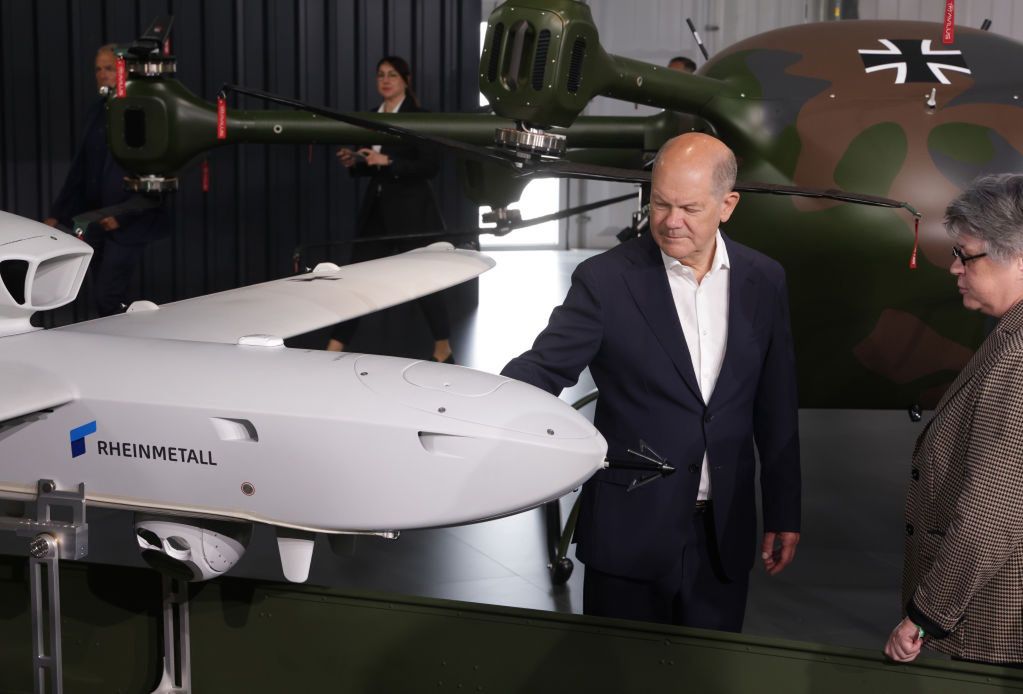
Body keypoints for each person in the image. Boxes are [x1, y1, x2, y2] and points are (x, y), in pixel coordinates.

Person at [502, 133, 801, 631]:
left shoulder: (764, 280)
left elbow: (776, 405)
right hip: (629, 533)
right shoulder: (605, 280)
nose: (670, 221)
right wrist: (470, 412)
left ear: (728, 205)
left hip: (723, 536)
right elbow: (543, 368)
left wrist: (784, 510)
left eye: (689, 207)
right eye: (660, 203)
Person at [884, 174, 1023, 667]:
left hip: (998, 625)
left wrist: (926, 615)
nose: (954, 268)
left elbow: (994, 510)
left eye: (965, 254)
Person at [326, 55, 453, 363]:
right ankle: (335, 344)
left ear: (405, 81)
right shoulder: (371, 116)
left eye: (392, 75)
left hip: (412, 212)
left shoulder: (420, 116)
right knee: (355, 278)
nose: (385, 80)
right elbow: (371, 164)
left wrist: (389, 162)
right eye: (380, 74)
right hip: (378, 210)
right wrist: (354, 163)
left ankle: (442, 346)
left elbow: (429, 166)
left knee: (425, 283)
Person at [44, 44, 172, 316]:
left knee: (108, 295)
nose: (102, 74)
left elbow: (157, 172)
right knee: (101, 297)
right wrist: (57, 214)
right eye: (98, 69)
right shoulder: (97, 110)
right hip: (97, 219)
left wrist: (122, 216)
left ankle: (126, 348)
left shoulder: (142, 110)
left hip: (129, 222)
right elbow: (80, 168)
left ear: (125, 70)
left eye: (109, 68)